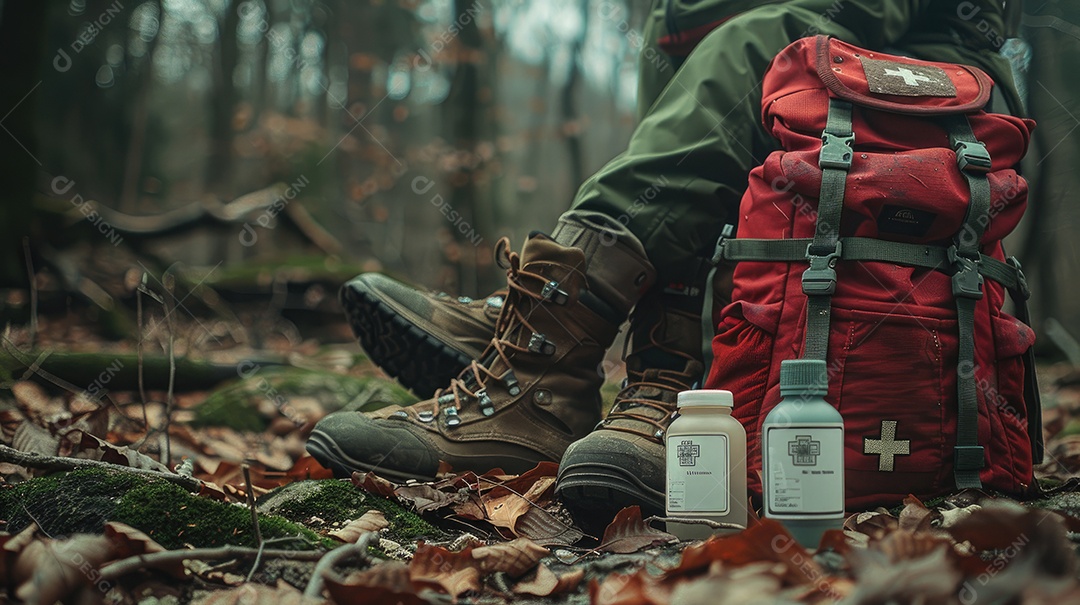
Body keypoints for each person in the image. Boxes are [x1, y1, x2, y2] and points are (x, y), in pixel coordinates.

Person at [307, 0, 1024, 517]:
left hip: (947, 72)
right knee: (682, 26)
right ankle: (643, 366)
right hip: (851, 48)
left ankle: (548, 348)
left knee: (756, 36)